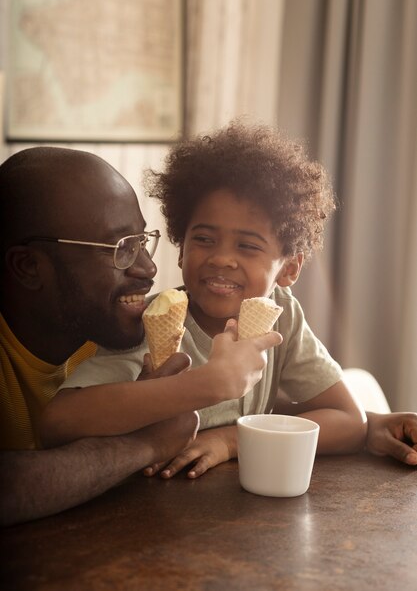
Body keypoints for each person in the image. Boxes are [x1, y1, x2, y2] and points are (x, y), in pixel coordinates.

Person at [40, 122, 417, 476]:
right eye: (203, 239)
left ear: (289, 269)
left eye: (248, 245)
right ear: (181, 249)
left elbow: (349, 421)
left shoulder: (282, 315)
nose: (220, 258)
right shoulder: (153, 321)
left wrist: (233, 440)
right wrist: (205, 383)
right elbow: (58, 421)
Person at [0, 146, 281, 525]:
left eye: (142, 240)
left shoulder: (112, 332)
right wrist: (144, 444)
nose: (149, 269)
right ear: (29, 267)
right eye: (120, 249)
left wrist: (367, 425)